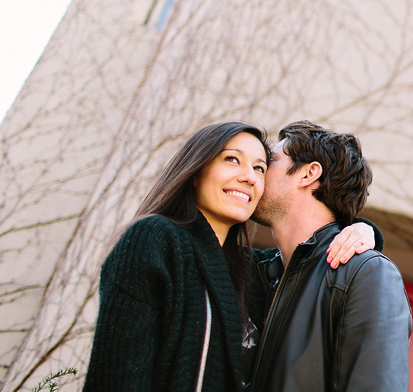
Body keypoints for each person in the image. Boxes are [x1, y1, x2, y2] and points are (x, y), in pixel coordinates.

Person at [83, 122, 377, 392]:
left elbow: (304, 256)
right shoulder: (155, 240)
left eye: (261, 168)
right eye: (232, 159)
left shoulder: (254, 272)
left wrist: (363, 230)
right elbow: (116, 378)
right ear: (197, 170)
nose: (249, 177)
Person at [247, 120, 412, 392]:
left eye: (271, 161)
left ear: (308, 174)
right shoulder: (257, 274)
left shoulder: (366, 273)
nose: (258, 172)